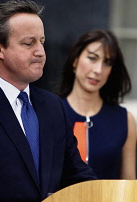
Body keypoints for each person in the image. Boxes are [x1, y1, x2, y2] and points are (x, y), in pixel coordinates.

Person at [0, 1, 97, 201]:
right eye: (28, 43)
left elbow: (77, 176)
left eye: (42, 41)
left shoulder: (54, 106)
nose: (40, 51)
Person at [58, 29, 136, 179]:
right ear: (75, 60)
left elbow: (128, 187)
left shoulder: (125, 120)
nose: (98, 70)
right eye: (92, 58)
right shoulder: (50, 111)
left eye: (107, 63)